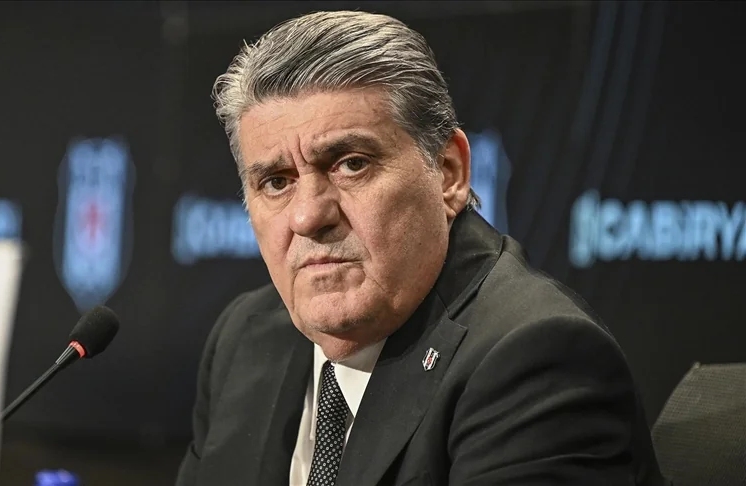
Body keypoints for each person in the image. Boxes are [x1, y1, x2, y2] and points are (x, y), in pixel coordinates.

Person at [176, 10, 669, 486]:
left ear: (449, 173)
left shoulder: (534, 360)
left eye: (351, 164)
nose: (307, 216)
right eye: (277, 182)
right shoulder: (245, 338)